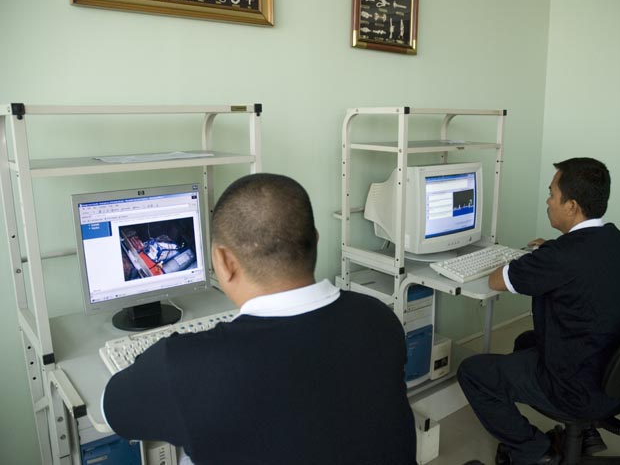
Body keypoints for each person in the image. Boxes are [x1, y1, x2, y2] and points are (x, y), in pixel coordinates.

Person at [102, 173, 417, 465]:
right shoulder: (379, 318)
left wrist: (155, 361)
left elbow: (113, 412)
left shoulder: (183, 365)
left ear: (224, 261)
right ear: (316, 240)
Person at [458, 158, 620, 465]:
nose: (547, 201)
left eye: (551, 194)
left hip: (579, 390)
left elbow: (496, 280)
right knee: (525, 342)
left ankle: (534, 450)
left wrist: (535, 257)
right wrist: (550, 250)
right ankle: (585, 432)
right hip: (619, 378)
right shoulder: (617, 239)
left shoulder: (560, 256)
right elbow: (577, 261)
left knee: (473, 372)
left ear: (571, 206)